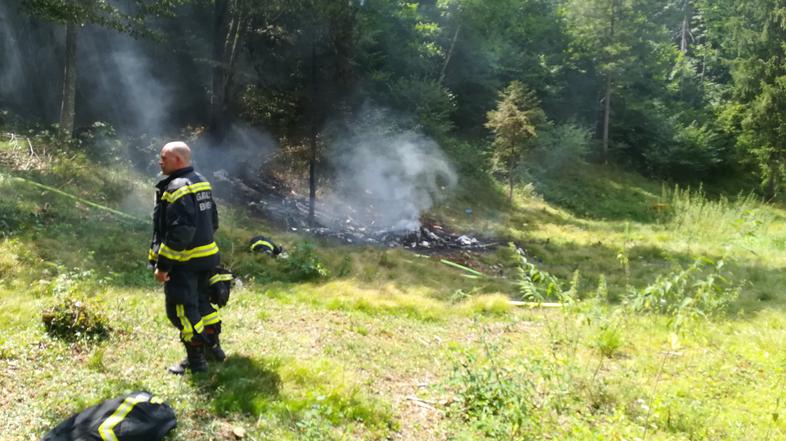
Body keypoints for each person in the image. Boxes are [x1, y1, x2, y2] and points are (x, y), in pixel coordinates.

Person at [148, 141, 224, 374]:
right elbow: (213, 221)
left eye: (164, 157)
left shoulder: (177, 188)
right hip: (207, 257)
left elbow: (179, 233)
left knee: (181, 310)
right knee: (202, 303)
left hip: (185, 263)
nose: (160, 161)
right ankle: (214, 349)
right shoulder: (200, 181)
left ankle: (196, 361)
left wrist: (163, 267)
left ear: (178, 160)